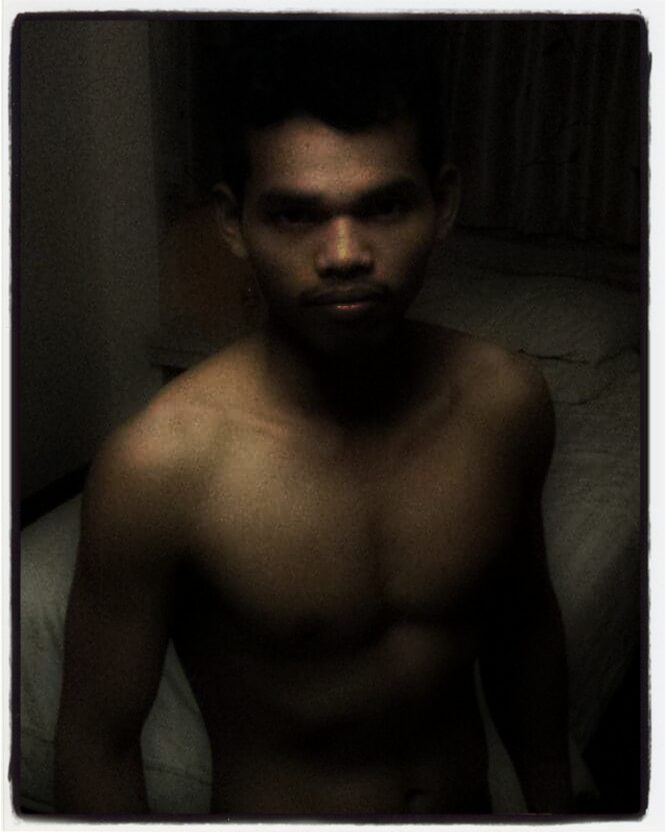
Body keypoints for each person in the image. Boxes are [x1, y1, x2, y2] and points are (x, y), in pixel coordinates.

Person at [54, 20, 573, 816]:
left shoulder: (505, 403)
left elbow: (524, 631)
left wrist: (556, 805)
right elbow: (97, 748)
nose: (344, 254)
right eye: (296, 216)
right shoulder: (160, 468)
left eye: (384, 206)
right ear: (234, 224)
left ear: (443, 202)